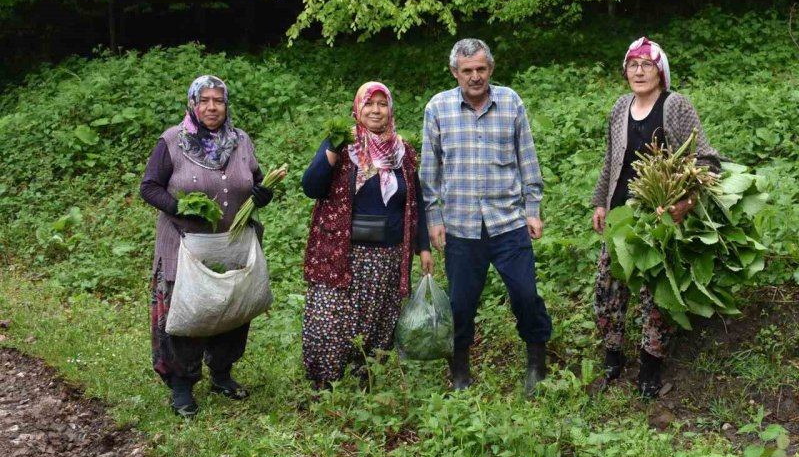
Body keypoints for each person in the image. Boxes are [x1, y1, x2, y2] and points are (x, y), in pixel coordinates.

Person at [420, 38, 553, 395]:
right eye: (467, 71)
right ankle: (460, 371)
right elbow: (429, 173)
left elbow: (528, 159)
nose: (475, 77)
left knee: (526, 294)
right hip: (461, 226)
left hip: (508, 221)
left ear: (490, 69)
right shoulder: (438, 108)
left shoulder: (510, 102)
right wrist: (434, 219)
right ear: (454, 73)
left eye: (481, 69)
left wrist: (533, 209)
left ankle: (537, 364)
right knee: (461, 303)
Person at [591, 37, 721, 399]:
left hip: (661, 216)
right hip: (622, 215)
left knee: (657, 295)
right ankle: (612, 355)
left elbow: (707, 160)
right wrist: (600, 201)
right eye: (632, 65)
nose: (638, 71)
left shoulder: (674, 105)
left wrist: (687, 201)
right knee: (608, 287)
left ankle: (650, 365)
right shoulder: (620, 107)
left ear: (660, 71)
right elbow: (611, 159)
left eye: (646, 65)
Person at [140, 75, 274, 417]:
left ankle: (222, 373)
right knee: (186, 312)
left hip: (232, 242)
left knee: (232, 308)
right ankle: (182, 386)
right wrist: (179, 207)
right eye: (204, 100)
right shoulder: (173, 141)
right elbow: (150, 187)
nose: (212, 107)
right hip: (186, 244)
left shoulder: (240, 141)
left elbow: (254, 181)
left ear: (226, 105)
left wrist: (263, 194)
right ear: (192, 104)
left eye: (218, 100)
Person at [301, 82, 432, 390]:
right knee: (331, 320)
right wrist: (331, 151)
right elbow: (311, 187)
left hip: (387, 255)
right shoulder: (342, 145)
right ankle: (325, 383)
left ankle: (366, 381)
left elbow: (416, 201)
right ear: (357, 109)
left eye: (382, 104)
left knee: (378, 319)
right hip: (344, 253)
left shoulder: (403, 151)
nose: (376, 110)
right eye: (369, 104)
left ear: (391, 110)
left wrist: (422, 246)